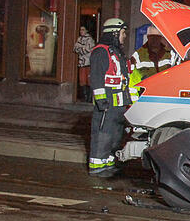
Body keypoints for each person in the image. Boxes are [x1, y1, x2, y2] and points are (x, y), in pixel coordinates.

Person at [88, 18, 133, 178]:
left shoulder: (116, 52)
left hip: (119, 105)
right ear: (114, 33)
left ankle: (108, 163)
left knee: (115, 136)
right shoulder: (101, 52)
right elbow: (96, 78)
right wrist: (102, 102)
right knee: (103, 135)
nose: (125, 36)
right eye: (122, 33)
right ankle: (96, 166)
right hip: (107, 105)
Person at [129, 26, 178, 95]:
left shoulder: (170, 54)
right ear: (148, 37)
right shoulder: (137, 56)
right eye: (152, 37)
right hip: (145, 95)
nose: (154, 40)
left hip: (165, 94)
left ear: (161, 38)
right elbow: (132, 80)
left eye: (157, 37)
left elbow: (176, 76)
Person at [72, 26, 95, 102]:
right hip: (81, 63)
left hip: (88, 63)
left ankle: (89, 97)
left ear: (86, 30)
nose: (81, 31)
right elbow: (75, 48)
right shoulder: (79, 39)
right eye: (80, 30)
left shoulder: (90, 39)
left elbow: (88, 50)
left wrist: (80, 48)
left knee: (89, 81)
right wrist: (82, 48)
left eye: (83, 30)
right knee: (82, 81)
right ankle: (85, 97)